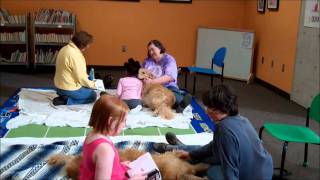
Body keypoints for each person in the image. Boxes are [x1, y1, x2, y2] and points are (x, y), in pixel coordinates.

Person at [153, 84, 273, 180]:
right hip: (265, 170)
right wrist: (191, 155)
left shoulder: (224, 130)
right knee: (208, 151)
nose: (206, 111)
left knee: (213, 170)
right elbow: (214, 146)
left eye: (208, 107)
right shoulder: (242, 119)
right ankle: (178, 147)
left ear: (218, 109)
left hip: (250, 176)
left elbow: (230, 171)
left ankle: (174, 147)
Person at [80, 95, 146, 180]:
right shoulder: (105, 149)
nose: (125, 125)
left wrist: (119, 165)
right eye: (123, 121)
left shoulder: (92, 134)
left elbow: (98, 163)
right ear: (110, 121)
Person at [142, 40, 192, 113]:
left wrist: (152, 81)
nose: (151, 52)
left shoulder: (169, 60)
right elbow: (142, 73)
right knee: (153, 98)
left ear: (159, 48)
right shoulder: (147, 61)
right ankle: (175, 104)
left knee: (171, 95)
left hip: (168, 86)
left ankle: (180, 101)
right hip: (153, 88)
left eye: (153, 49)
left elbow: (169, 77)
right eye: (149, 50)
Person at [53, 31, 97, 106]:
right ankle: (66, 101)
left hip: (58, 87)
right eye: (88, 44)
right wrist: (95, 85)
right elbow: (81, 78)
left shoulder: (64, 48)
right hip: (67, 89)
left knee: (88, 87)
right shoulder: (75, 55)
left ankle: (65, 97)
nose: (88, 46)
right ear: (82, 44)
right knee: (93, 95)